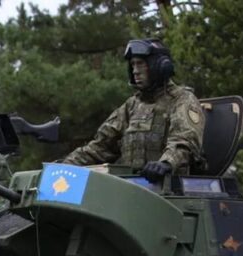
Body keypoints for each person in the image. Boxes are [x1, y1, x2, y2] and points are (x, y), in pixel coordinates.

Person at [62, 38, 205, 182]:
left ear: (160, 66)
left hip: (170, 192)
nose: (135, 71)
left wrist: (166, 163)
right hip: (133, 191)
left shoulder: (182, 99)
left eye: (141, 64)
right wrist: (61, 168)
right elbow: (100, 147)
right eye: (133, 65)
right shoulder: (132, 105)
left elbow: (184, 142)